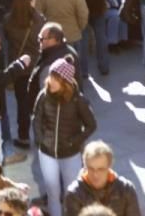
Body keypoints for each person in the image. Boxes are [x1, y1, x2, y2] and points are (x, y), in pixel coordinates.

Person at [33, 58, 96, 216]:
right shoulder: (43, 95)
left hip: (70, 154)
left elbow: (91, 125)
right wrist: (41, 140)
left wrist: (74, 141)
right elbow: (37, 119)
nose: (51, 82)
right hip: (47, 153)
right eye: (51, 77)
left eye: (56, 79)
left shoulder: (78, 100)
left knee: (71, 193)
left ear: (66, 82)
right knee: (52, 193)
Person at [36, 0, 89, 80]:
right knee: (74, 66)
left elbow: (38, 14)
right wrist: (80, 27)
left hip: (52, 37)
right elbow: (83, 12)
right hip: (73, 34)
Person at [62, 140, 140, 216]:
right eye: (91, 168)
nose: (95, 174)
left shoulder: (126, 189)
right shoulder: (74, 194)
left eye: (101, 169)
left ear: (109, 166)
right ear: (85, 166)